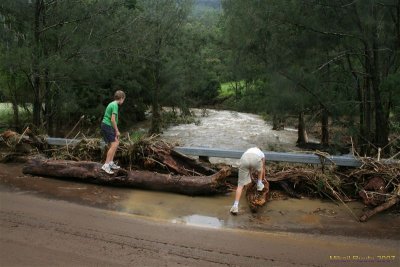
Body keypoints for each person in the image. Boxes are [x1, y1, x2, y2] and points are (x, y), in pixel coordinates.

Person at [230, 147, 266, 215]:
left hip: (244, 159)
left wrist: (250, 176)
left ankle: (235, 206)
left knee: (240, 185)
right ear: (260, 149)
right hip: (255, 159)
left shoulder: (248, 150)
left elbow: (249, 167)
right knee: (260, 170)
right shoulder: (261, 154)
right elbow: (263, 168)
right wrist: (263, 178)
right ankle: (259, 184)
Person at [100, 90, 125, 174]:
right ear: (121, 98)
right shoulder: (115, 105)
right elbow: (113, 119)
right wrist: (117, 130)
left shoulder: (112, 103)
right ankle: (106, 165)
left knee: (116, 143)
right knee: (114, 144)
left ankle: (110, 162)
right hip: (107, 125)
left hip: (107, 126)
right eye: (123, 99)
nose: (123, 101)